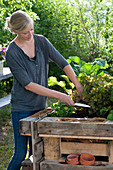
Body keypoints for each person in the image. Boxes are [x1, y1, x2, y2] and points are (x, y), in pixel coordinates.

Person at [5, 10, 83, 170]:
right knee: (20, 155)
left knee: (37, 152)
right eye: (25, 33)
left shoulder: (41, 42)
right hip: (22, 108)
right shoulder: (12, 52)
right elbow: (28, 84)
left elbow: (63, 62)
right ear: (15, 31)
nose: (30, 34)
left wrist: (76, 82)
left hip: (40, 107)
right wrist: (59, 95)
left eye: (32, 29)